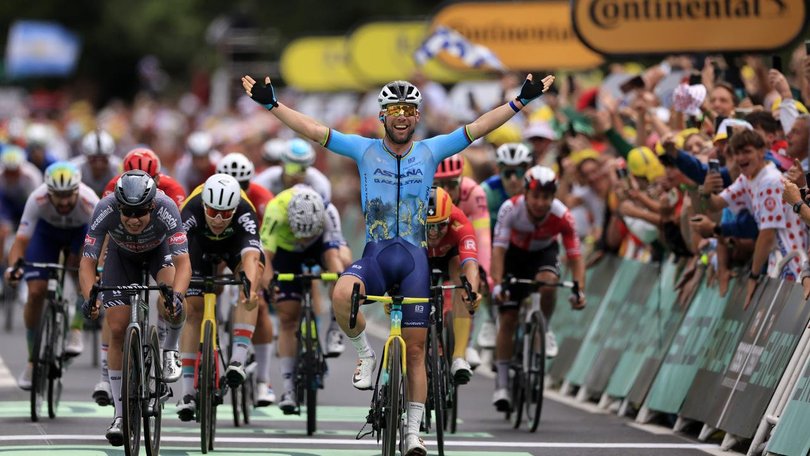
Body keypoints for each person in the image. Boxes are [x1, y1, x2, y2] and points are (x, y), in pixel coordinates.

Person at [242, 72, 554, 455]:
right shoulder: (363, 149)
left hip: (413, 261)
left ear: (417, 115)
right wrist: (273, 105)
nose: (402, 116)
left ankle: (412, 432)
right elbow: (313, 129)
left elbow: (478, 128)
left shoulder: (431, 150)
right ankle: (364, 354)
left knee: (417, 351)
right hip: (376, 255)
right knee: (342, 292)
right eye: (395, 110)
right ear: (383, 115)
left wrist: (520, 101)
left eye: (409, 110)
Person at [80, 170, 190, 446]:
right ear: (118, 206)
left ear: (152, 205)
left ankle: (169, 350)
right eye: (127, 212)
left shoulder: (167, 208)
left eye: (140, 212)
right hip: (121, 257)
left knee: (170, 303)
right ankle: (119, 414)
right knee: (116, 328)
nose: (133, 219)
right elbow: (87, 262)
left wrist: (176, 296)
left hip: (158, 253)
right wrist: (90, 297)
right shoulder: (104, 209)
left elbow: (184, 263)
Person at [490, 166, 586, 412]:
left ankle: (544, 325)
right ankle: (501, 384)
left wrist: (579, 290)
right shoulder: (510, 209)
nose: (541, 203)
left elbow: (575, 256)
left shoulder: (562, 215)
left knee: (549, 282)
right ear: (526, 193)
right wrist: (498, 283)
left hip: (543, 254)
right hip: (513, 256)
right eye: (536, 197)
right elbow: (498, 251)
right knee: (508, 318)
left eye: (546, 197)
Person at [175, 173, 264, 420]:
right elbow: (176, 255)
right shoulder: (191, 209)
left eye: (225, 214)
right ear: (204, 205)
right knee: (192, 310)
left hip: (234, 246)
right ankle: (187, 393)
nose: (217, 219)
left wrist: (249, 288)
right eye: (212, 211)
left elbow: (251, 257)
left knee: (251, 284)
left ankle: (237, 359)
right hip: (198, 249)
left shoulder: (246, 211)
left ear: (234, 209)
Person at [4, 162, 98, 388]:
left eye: (69, 195)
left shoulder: (90, 201)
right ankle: (31, 360)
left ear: (77, 190)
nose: (64, 202)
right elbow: (21, 241)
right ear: (48, 192)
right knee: (35, 292)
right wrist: (13, 267)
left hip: (80, 234)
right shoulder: (37, 199)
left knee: (83, 270)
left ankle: (76, 327)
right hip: (47, 235)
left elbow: (101, 245)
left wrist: (98, 270)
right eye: (58, 195)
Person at [259, 185, 344, 413]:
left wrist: (341, 286)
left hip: (320, 247)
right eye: (301, 234)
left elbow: (334, 257)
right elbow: (265, 257)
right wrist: (270, 286)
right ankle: (288, 388)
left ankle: (336, 326)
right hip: (286, 253)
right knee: (288, 318)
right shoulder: (275, 210)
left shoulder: (327, 211)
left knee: (340, 266)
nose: (304, 239)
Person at [216, 152, 278, 405]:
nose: (237, 189)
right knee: (211, 284)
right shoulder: (214, 195)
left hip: (251, 244)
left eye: (243, 184)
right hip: (221, 244)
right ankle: (217, 323)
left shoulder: (263, 198)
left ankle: (263, 381)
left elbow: (267, 242)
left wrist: (262, 278)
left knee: (259, 305)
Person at [425, 187, 481, 383]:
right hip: (420, 256)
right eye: (428, 226)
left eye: (440, 226)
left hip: (450, 257)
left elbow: (471, 265)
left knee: (462, 280)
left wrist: (471, 293)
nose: (433, 233)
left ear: (449, 218)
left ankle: (458, 357)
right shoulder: (408, 222)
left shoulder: (460, 222)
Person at [252, 137, 332, 203]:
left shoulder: (319, 184)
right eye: (291, 168)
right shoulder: (266, 179)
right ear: (281, 164)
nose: (296, 175)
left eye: (302, 169)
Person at [0, 146, 43, 265]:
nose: (12, 175)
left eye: (15, 172)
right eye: (9, 172)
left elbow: (38, 204)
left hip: (28, 204)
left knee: (30, 233)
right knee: (2, 232)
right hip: (8, 204)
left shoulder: (32, 176)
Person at [103, 147, 186, 207]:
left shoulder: (173, 188)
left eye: (146, 182)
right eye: (133, 182)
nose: (139, 188)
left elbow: (181, 222)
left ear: (157, 179)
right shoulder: (113, 185)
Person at [481, 142, 534, 233]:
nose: (513, 179)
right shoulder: (486, 191)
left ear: (527, 171)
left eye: (519, 172)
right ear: (499, 171)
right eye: (508, 173)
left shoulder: (535, 189)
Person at [71, 129, 122, 197]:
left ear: (109, 157)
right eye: (94, 159)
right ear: (87, 157)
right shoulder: (74, 169)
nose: (99, 165)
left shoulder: (119, 168)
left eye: (103, 159)